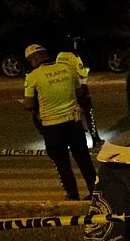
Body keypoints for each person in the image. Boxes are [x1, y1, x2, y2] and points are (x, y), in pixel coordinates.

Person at [23, 44, 97, 201]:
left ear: (34, 59)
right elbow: (79, 92)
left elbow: (29, 104)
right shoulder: (67, 69)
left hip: (52, 127)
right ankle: (95, 193)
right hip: (73, 123)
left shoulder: (33, 76)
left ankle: (72, 196)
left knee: (62, 164)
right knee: (84, 160)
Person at [56, 38, 105, 148]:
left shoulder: (59, 55)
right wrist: (87, 69)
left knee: (72, 116)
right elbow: (82, 73)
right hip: (79, 87)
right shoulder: (74, 57)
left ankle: (73, 140)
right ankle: (95, 138)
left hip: (65, 89)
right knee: (88, 113)